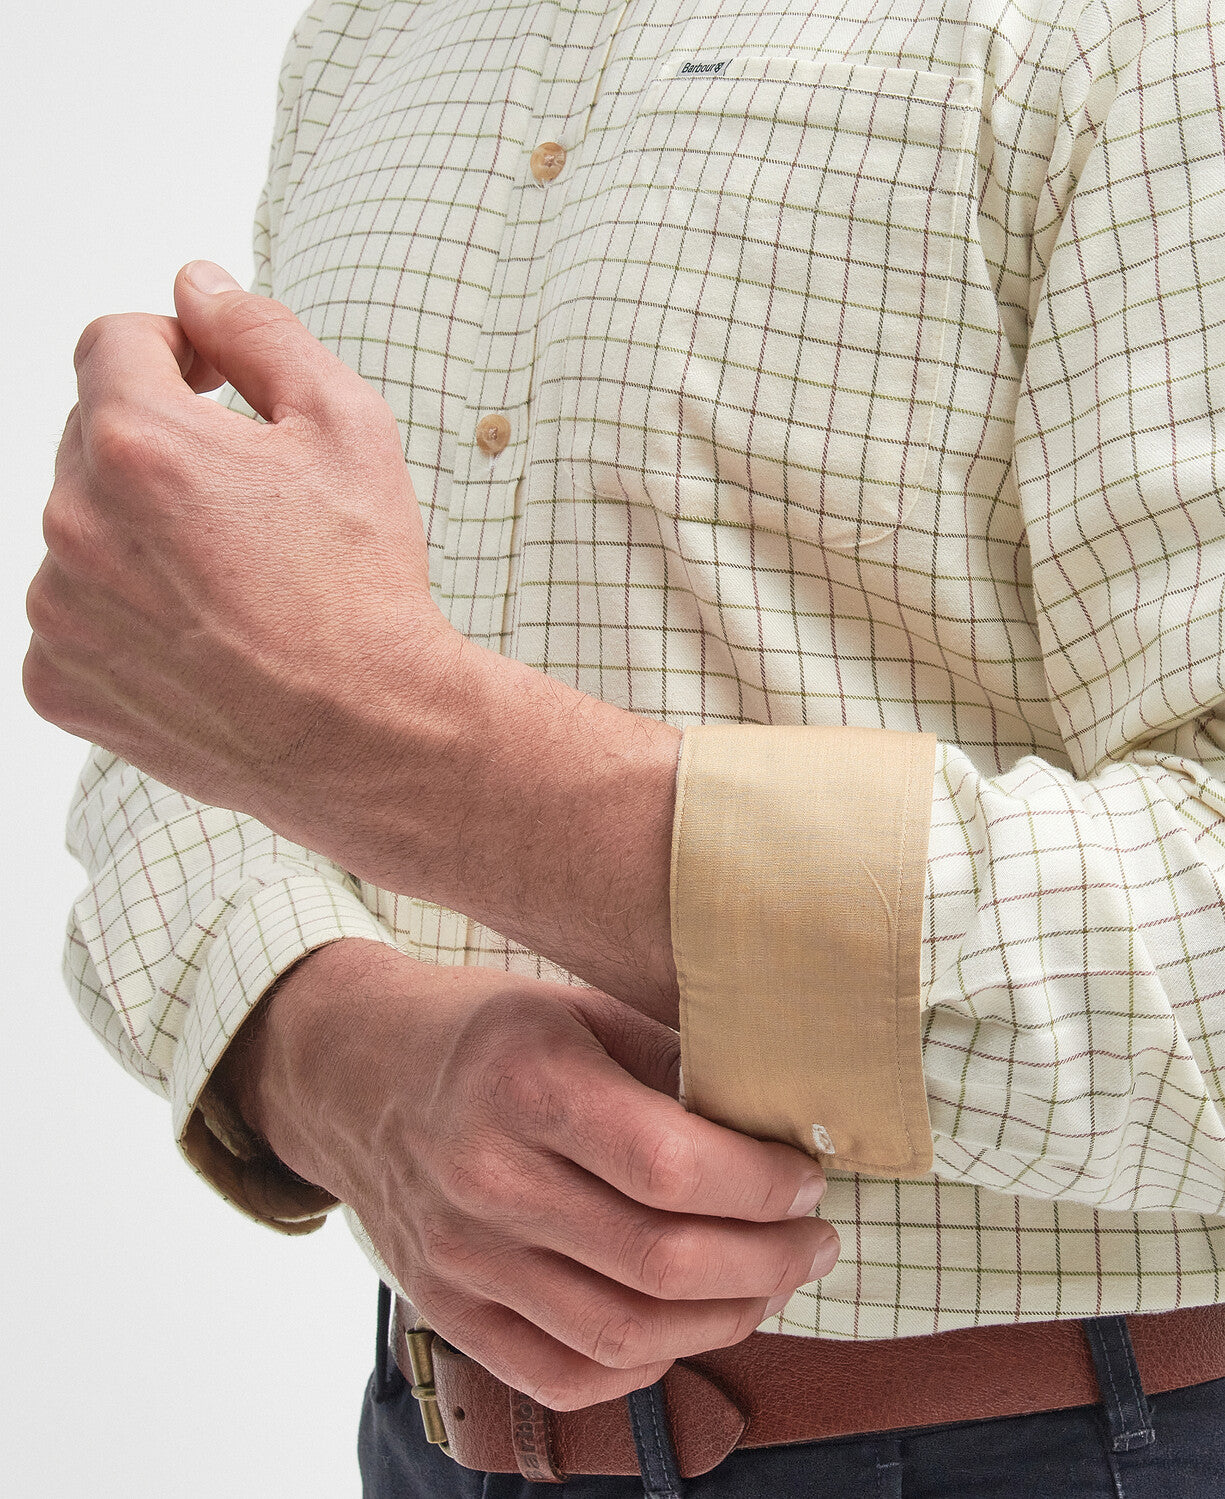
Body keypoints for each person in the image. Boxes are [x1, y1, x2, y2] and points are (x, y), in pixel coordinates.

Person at [24, 0, 1225, 1493]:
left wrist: (410, 753)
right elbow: (202, 698)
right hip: (436, 1433)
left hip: (1077, 1445)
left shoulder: (1144, 34)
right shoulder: (370, 32)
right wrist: (327, 1051)